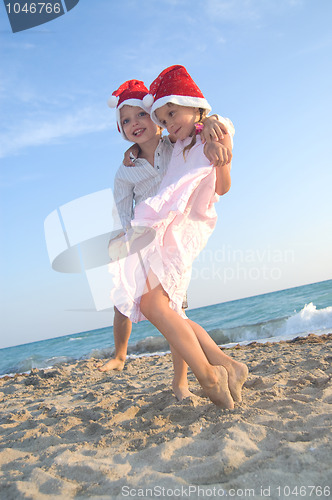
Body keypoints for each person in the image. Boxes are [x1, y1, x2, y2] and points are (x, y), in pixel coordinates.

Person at [109, 66, 248, 409]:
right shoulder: (128, 168)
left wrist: (210, 123)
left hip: (177, 234)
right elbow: (123, 214)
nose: (136, 123)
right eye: (125, 121)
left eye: (143, 114)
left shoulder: (177, 141)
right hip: (148, 238)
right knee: (169, 312)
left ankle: (202, 376)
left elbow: (197, 126)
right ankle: (226, 366)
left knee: (164, 310)